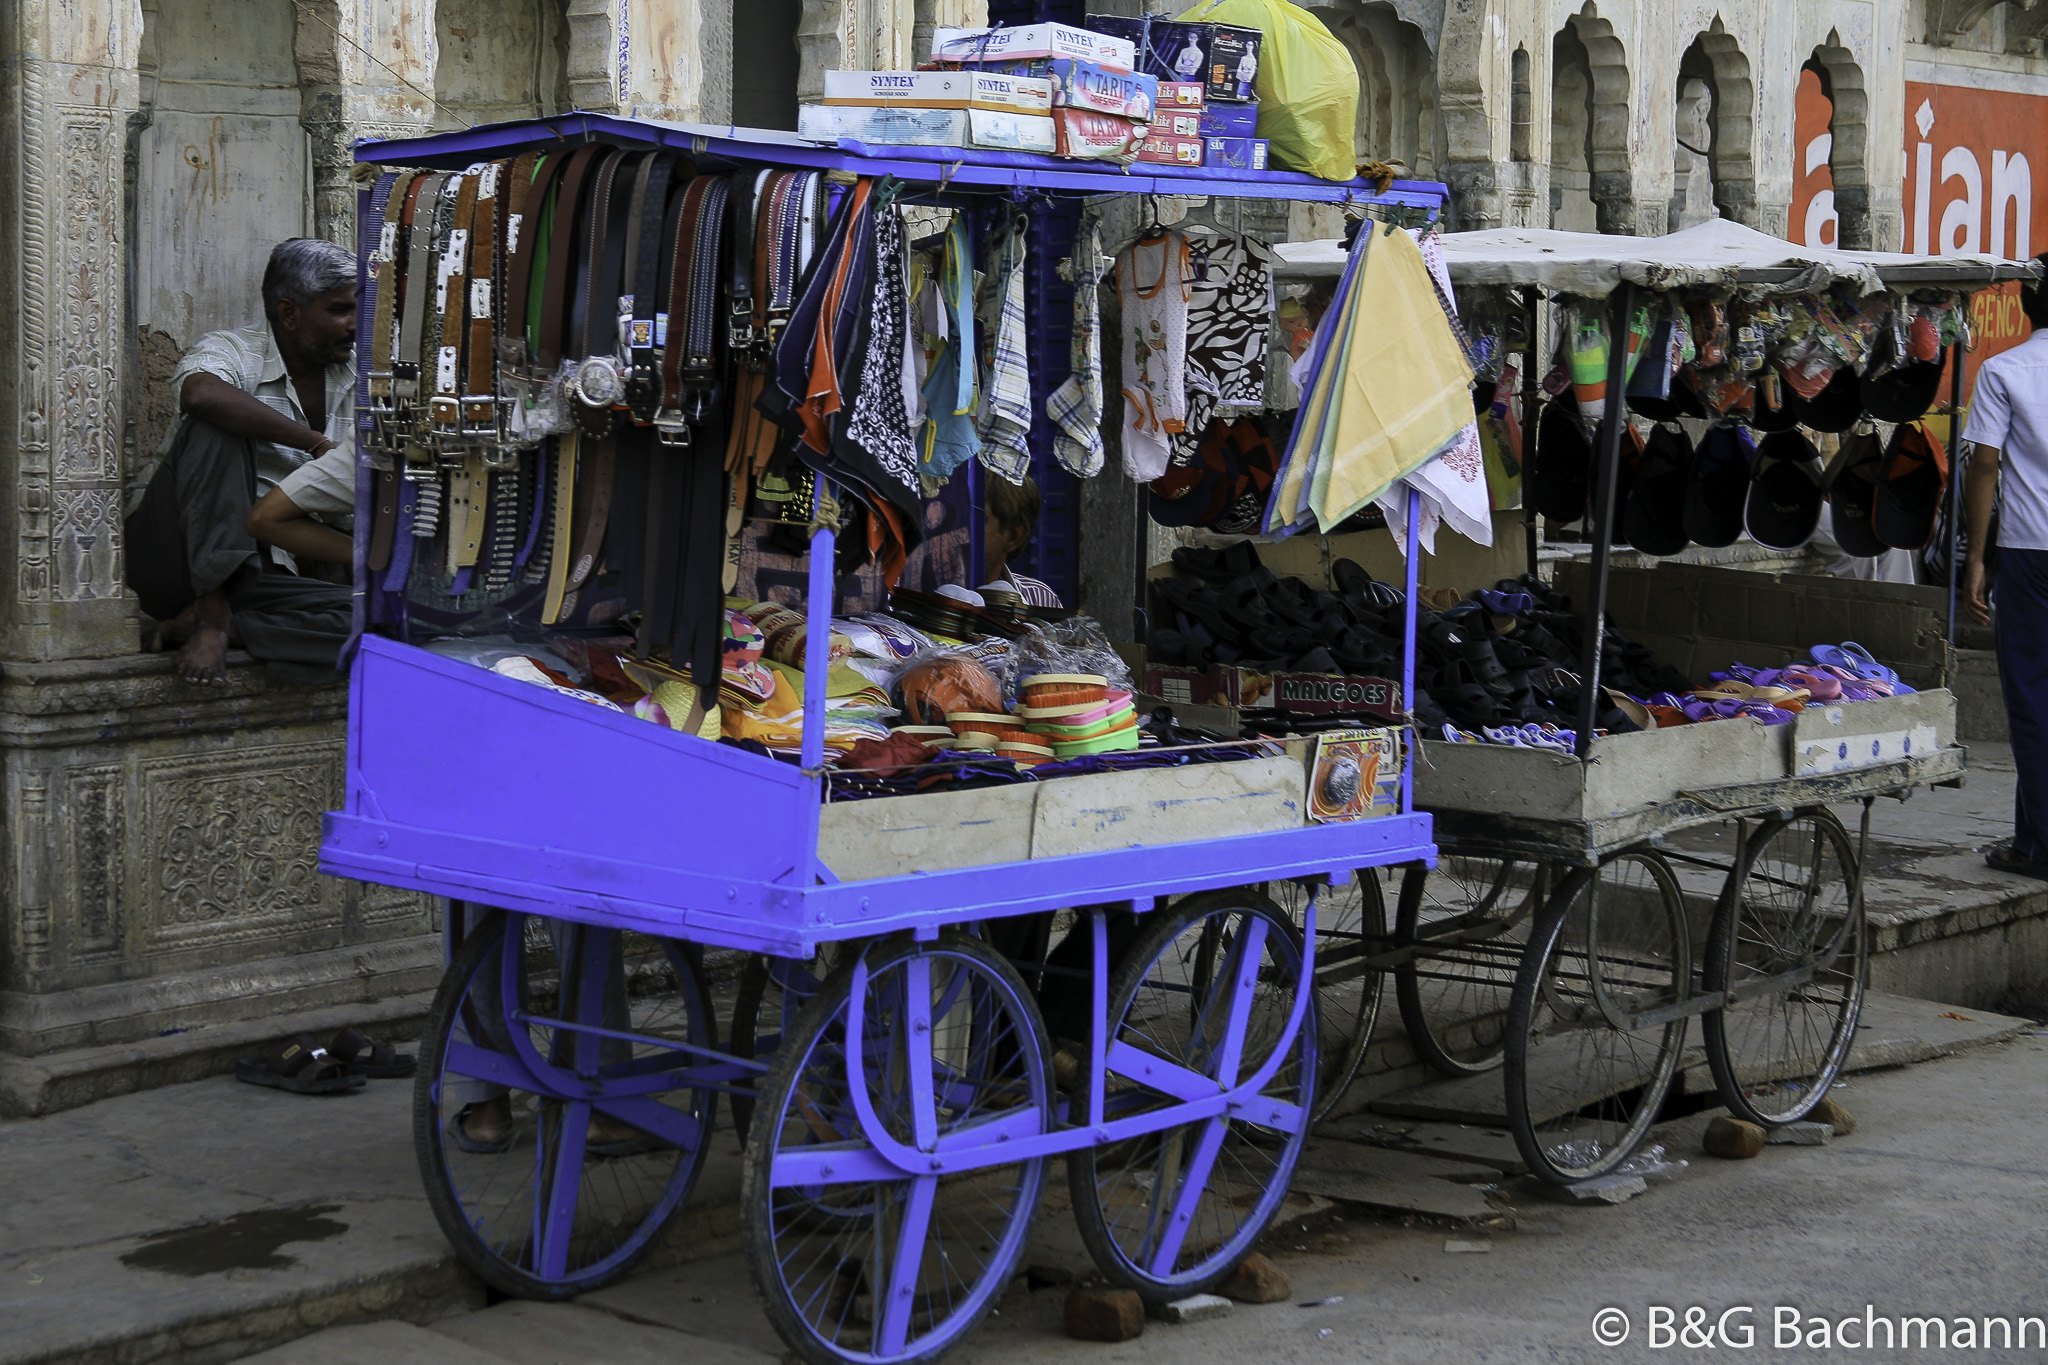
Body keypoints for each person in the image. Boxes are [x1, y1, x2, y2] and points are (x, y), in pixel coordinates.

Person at [126, 238, 358, 686]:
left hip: (262, 575)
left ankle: (224, 627)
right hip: (174, 559)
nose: (355, 323)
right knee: (216, 421)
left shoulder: (361, 379)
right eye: (339, 310)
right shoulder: (234, 350)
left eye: (359, 308)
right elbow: (200, 395)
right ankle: (212, 616)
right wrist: (313, 443)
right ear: (289, 313)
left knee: (386, 619)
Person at [1962, 258, 2048, 881]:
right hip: (2026, 556)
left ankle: (2038, 845)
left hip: (2028, 555)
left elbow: (1985, 466)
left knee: (2032, 701)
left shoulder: (2004, 369)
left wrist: (1974, 556)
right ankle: (2030, 834)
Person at [982, 475, 1063, 607]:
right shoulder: (937, 592)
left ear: (1013, 537)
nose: (960, 529)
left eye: (976, 519)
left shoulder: (1040, 600)